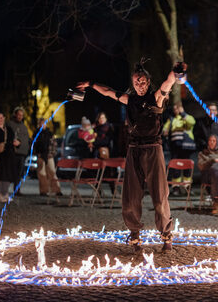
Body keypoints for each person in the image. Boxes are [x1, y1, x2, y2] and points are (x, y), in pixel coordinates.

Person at [76, 59, 186, 253]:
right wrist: (91, 85)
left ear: (148, 81)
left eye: (142, 81)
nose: (140, 85)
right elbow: (109, 91)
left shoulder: (156, 97)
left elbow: (168, 83)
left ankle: (166, 236)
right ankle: (134, 235)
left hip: (153, 149)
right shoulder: (130, 99)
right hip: (134, 149)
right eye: (136, 82)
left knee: (160, 196)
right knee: (131, 197)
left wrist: (175, 72)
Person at [162, 102, 196, 194]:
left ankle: (187, 186)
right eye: (174, 109)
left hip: (186, 146)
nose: (175, 111)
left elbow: (192, 122)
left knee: (187, 167)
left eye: (177, 108)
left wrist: (183, 113)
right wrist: (165, 130)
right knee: (175, 166)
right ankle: (176, 187)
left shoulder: (186, 117)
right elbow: (165, 128)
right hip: (175, 146)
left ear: (181, 108)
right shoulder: (172, 119)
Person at [33, 118, 62, 197]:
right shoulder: (36, 134)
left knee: (52, 172)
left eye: (44, 123)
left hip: (49, 156)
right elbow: (33, 145)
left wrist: (52, 153)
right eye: (41, 124)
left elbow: (54, 145)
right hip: (40, 156)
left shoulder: (49, 134)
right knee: (41, 174)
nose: (42, 125)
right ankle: (43, 191)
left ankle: (56, 190)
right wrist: (36, 153)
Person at [7, 107, 29, 196]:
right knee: (12, 171)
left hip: (21, 153)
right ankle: (5, 189)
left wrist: (20, 142)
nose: (20, 116)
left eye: (21, 115)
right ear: (15, 115)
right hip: (12, 152)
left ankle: (17, 189)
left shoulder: (24, 127)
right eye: (18, 115)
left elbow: (26, 139)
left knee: (19, 172)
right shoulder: (10, 124)